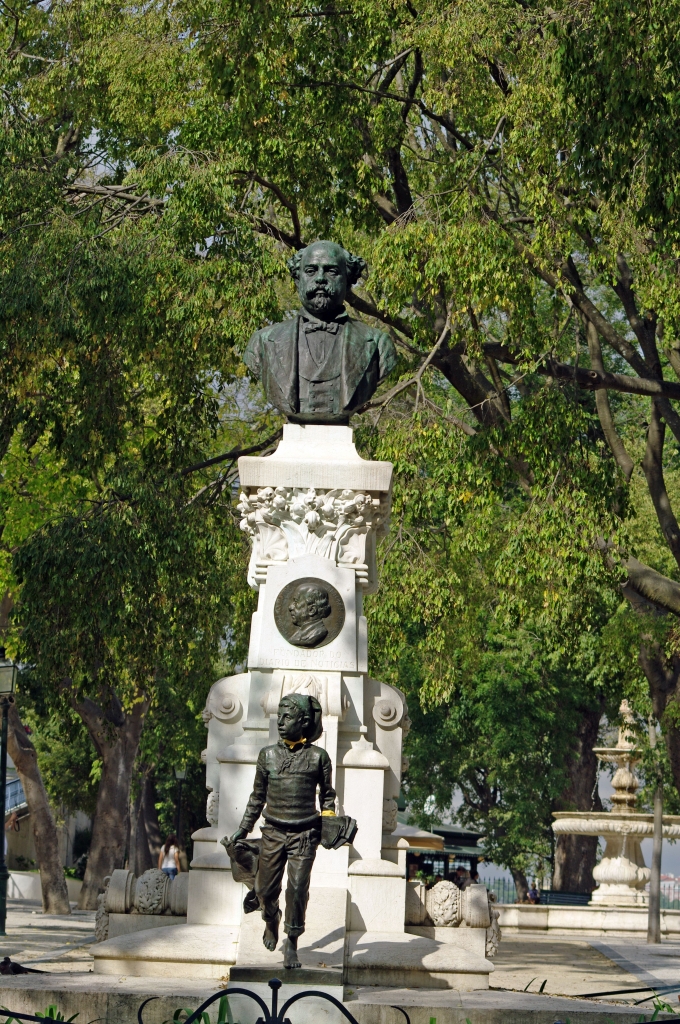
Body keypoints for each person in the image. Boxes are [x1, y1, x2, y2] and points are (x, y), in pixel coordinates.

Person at [228, 692, 336, 969]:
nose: (280, 722)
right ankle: (271, 918)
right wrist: (243, 829)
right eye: (279, 716)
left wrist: (329, 824)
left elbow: (327, 797)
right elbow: (257, 797)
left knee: (297, 889)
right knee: (264, 890)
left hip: (304, 835)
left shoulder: (319, 757)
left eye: (287, 717)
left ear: (303, 722)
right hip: (273, 832)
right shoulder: (267, 755)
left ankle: (291, 942)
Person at [244, 241, 397, 424]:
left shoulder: (378, 344)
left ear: (348, 280)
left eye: (331, 271)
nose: (320, 279)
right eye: (311, 271)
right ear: (297, 279)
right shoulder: (263, 341)